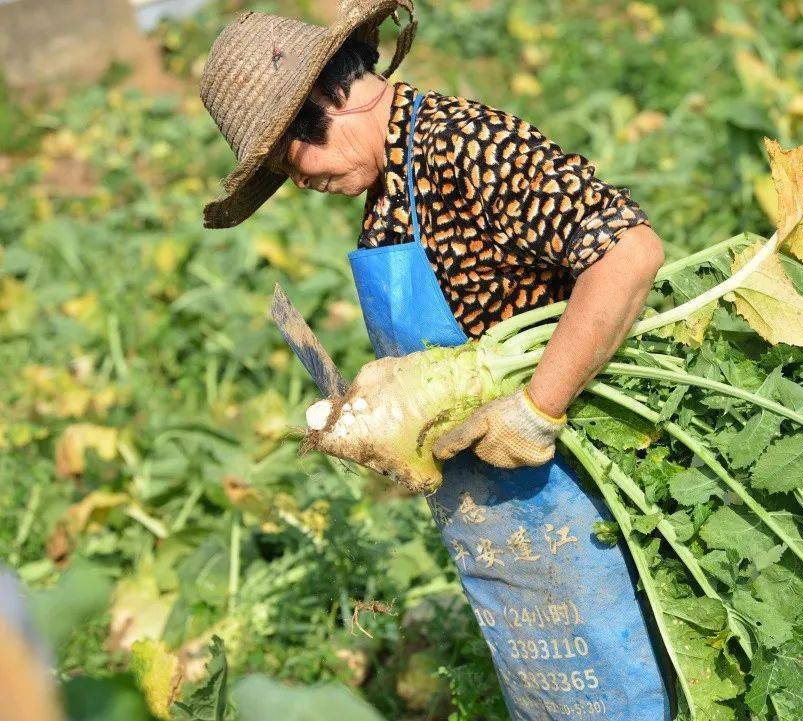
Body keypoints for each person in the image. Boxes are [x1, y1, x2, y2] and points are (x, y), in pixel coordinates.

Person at [200, 1, 671, 718]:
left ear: (326, 97)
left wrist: (538, 407)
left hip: (572, 495)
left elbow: (628, 252)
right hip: (496, 528)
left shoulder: (465, 142)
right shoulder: (390, 189)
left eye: (284, 158)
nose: (294, 182)